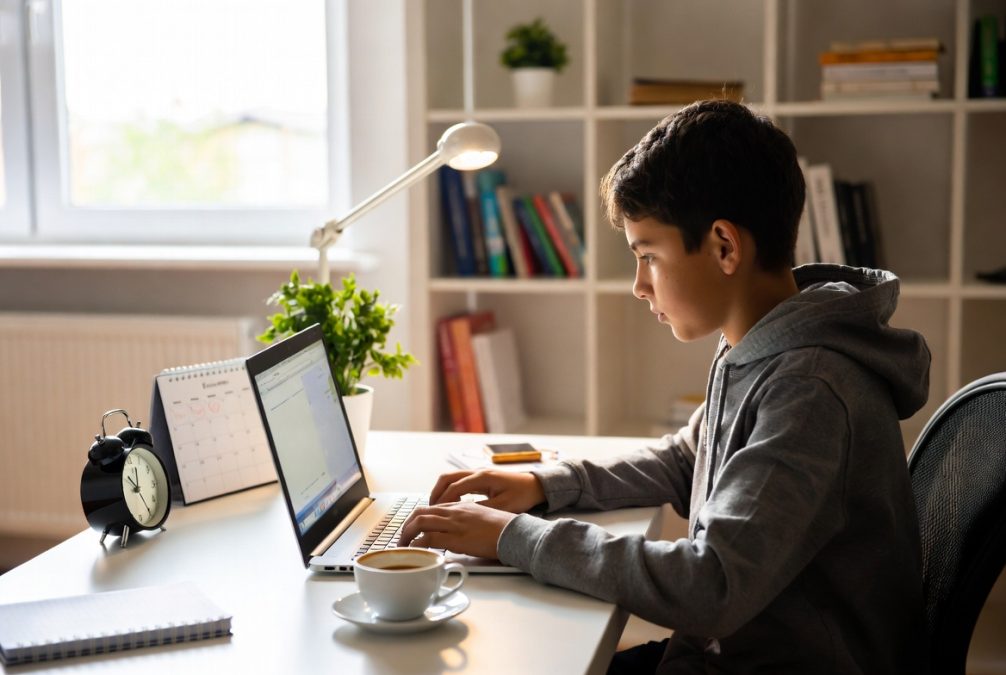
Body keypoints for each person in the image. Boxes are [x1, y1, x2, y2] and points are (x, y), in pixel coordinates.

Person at [400, 99, 931, 674]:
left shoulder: (810, 389)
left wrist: (516, 538)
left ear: (725, 247)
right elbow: (688, 459)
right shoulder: (764, 341)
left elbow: (711, 584)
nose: (638, 285)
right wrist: (543, 484)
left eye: (649, 256)